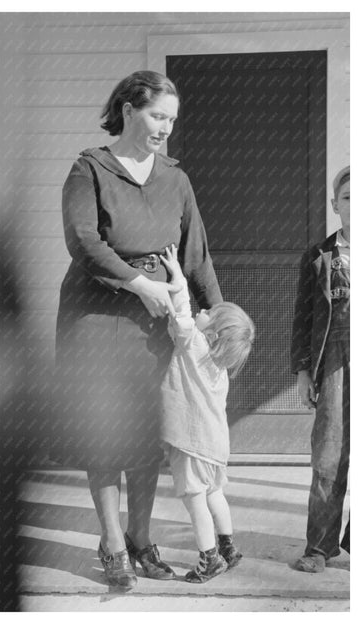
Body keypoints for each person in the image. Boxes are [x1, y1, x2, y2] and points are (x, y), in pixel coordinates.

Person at [53, 71, 222, 589]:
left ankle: (141, 539)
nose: (165, 129)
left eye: (171, 119)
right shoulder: (91, 169)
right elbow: (82, 240)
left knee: (152, 429)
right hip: (97, 318)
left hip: (156, 322)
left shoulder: (175, 177)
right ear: (128, 109)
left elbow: (195, 250)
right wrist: (135, 282)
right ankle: (110, 544)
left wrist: (213, 308)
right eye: (157, 116)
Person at [159, 245, 255, 583]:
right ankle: (229, 547)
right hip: (216, 446)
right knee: (215, 494)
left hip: (192, 443)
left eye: (209, 315)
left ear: (211, 334)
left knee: (195, 500)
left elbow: (182, 313)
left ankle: (209, 558)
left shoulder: (196, 346)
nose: (203, 313)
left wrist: (176, 274)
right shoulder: (220, 371)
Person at [291, 166, 350, 573]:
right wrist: (302, 370)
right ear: (335, 205)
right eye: (348, 197)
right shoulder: (319, 256)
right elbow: (303, 318)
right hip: (335, 361)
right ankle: (319, 547)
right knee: (329, 454)